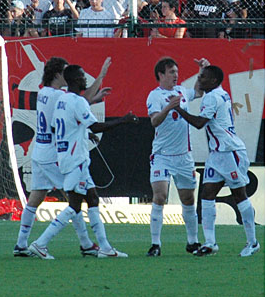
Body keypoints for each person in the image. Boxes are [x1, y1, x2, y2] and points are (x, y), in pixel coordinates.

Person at [28, 64, 138, 259]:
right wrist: (124, 120)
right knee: (74, 206)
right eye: (81, 76)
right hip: (75, 159)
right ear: (74, 80)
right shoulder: (78, 102)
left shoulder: (62, 100)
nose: (84, 79)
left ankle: (104, 247)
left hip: (66, 157)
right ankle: (40, 243)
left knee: (93, 199)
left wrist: (80, 133)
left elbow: (56, 128)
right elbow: (95, 126)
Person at [14, 57, 111, 258]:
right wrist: (100, 76)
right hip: (54, 155)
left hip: (39, 151)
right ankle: (84, 243)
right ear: (58, 74)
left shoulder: (43, 92)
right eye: (65, 71)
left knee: (35, 198)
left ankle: (21, 244)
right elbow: (79, 102)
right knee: (75, 198)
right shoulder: (60, 95)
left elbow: (76, 106)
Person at [173, 65, 259, 257]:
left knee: (240, 195)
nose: (199, 80)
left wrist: (177, 108)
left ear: (212, 81)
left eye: (202, 77)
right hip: (217, 153)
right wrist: (205, 67)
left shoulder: (212, 97)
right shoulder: (219, 92)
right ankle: (210, 243)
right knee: (207, 194)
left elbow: (199, 123)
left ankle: (253, 242)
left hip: (230, 151)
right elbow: (215, 76)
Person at [145, 57, 209, 257]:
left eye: (176, 71)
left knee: (188, 198)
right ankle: (155, 244)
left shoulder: (182, 91)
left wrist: (201, 71)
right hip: (162, 156)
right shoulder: (155, 96)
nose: (176, 75)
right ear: (161, 75)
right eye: (171, 72)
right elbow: (154, 121)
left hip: (183, 156)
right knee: (160, 196)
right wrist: (168, 108)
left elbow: (198, 91)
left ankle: (192, 242)